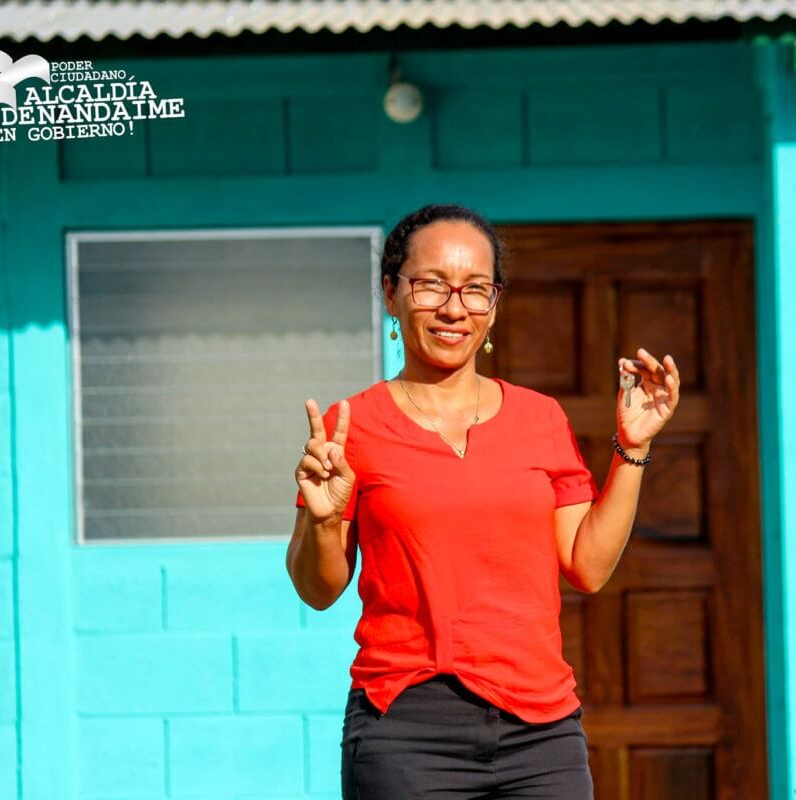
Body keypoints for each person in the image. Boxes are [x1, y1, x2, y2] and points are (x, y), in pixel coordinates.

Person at [286, 203, 680, 799]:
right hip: (407, 729)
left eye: (475, 289)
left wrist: (632, 447)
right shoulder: (350, 426)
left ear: (493, 306)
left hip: (541, 730)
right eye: (430, 286)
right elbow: (318, 591)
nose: (454, 308)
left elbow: (588, 566)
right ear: (391, 293)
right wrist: (321, 521)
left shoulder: (539, 418)